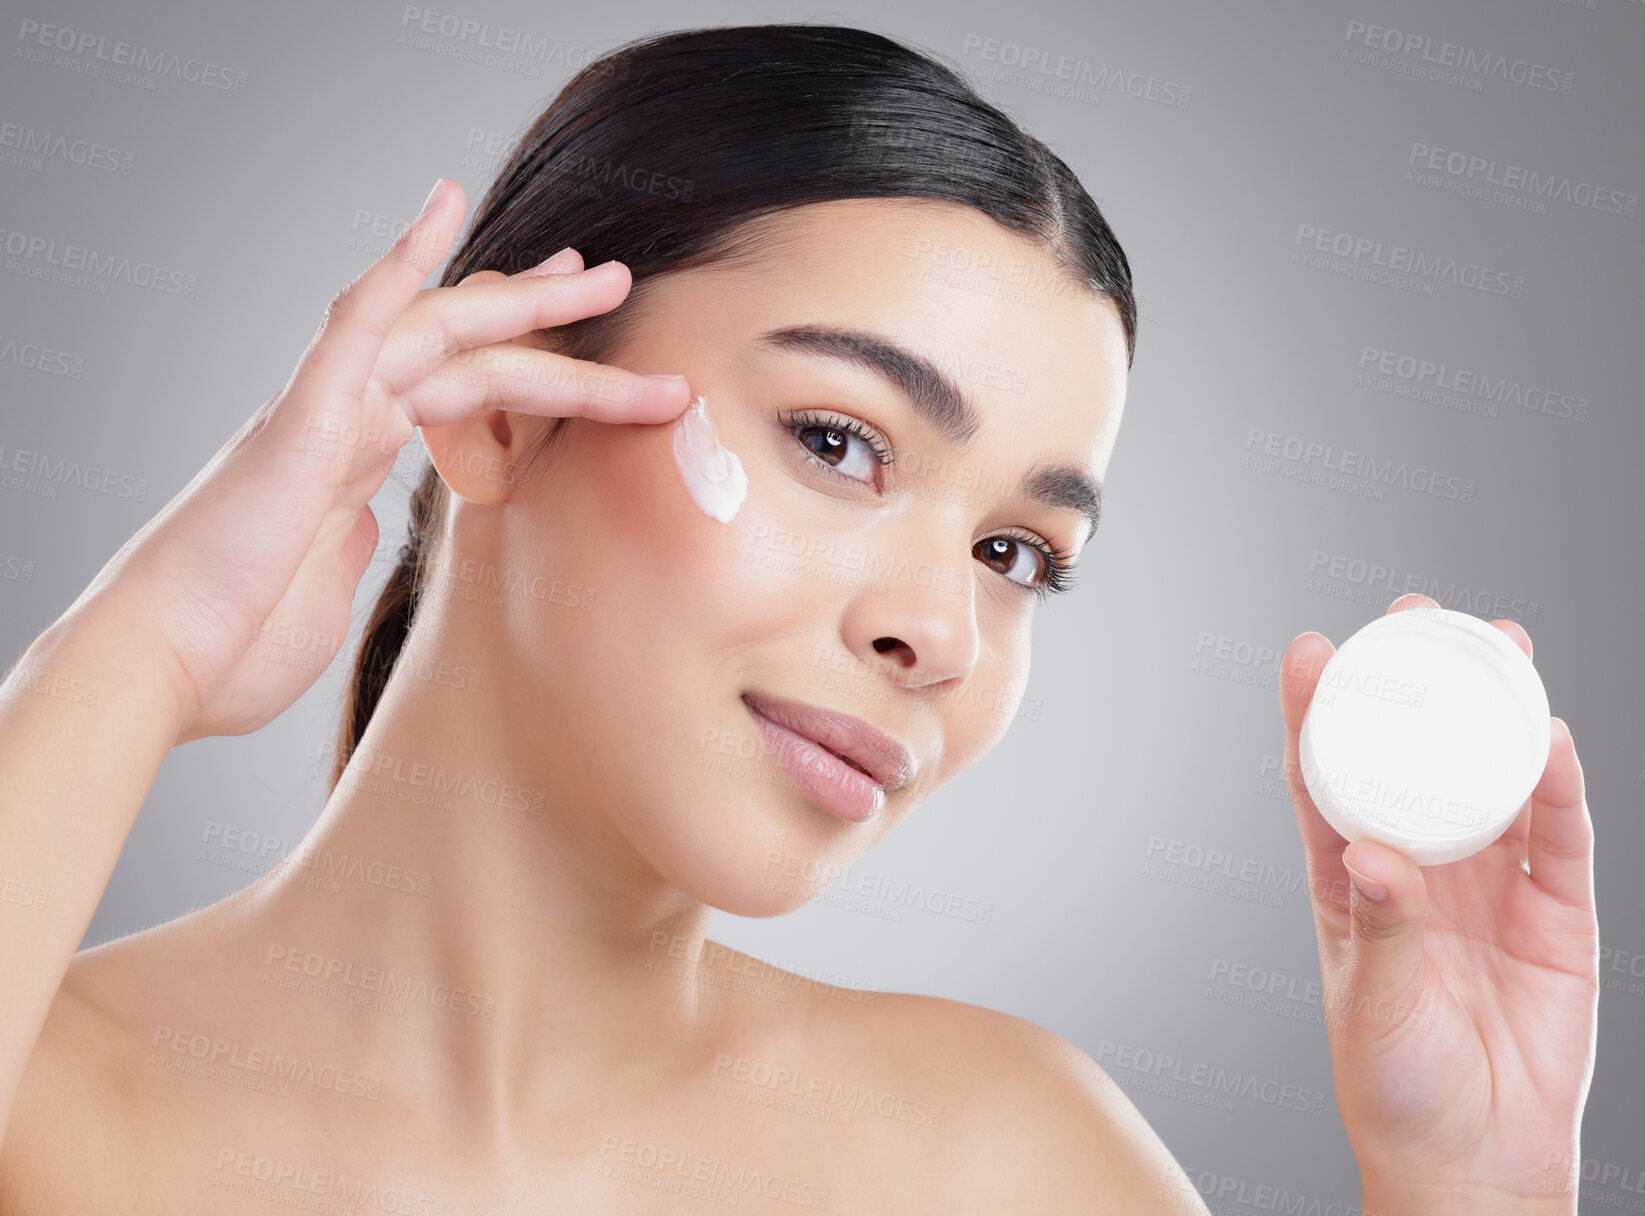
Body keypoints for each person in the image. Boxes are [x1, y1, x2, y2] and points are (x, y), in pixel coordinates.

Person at [0, 23, 1596, 1213]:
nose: (942, 634)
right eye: (837, 443)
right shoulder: (56, 1112)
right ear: (493, 408)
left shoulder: (1003, 1164)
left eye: (1014, 553)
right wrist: (146, 640)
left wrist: (1468, 1193)